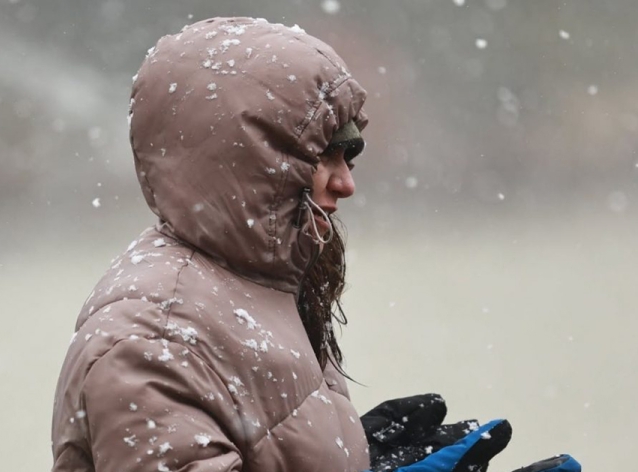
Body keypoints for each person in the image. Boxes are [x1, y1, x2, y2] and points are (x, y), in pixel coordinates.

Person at [51, 17, 580, 472]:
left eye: (352, 153)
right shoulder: (154, 343)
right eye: (323, 153)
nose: (346, 181)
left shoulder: (252, 287)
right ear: (243, 162)